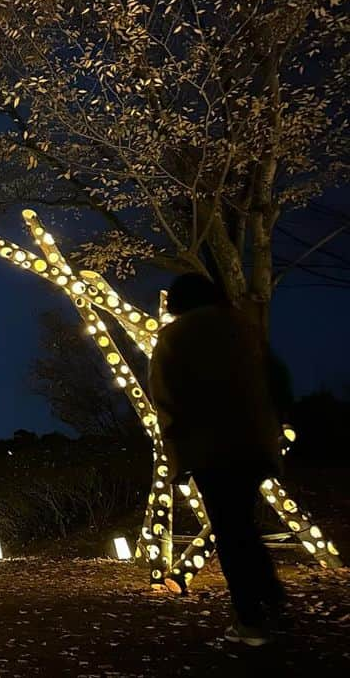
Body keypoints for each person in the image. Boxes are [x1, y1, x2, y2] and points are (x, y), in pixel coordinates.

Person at [149, 273, 286, 646]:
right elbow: (276, 378)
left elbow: (164, 397)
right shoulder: (242, 327)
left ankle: (251, 617)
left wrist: (177, 446)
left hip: (210, 448)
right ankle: (272, 600)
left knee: (231, 530)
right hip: (254, 442)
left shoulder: (175, 338)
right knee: (242, 524)